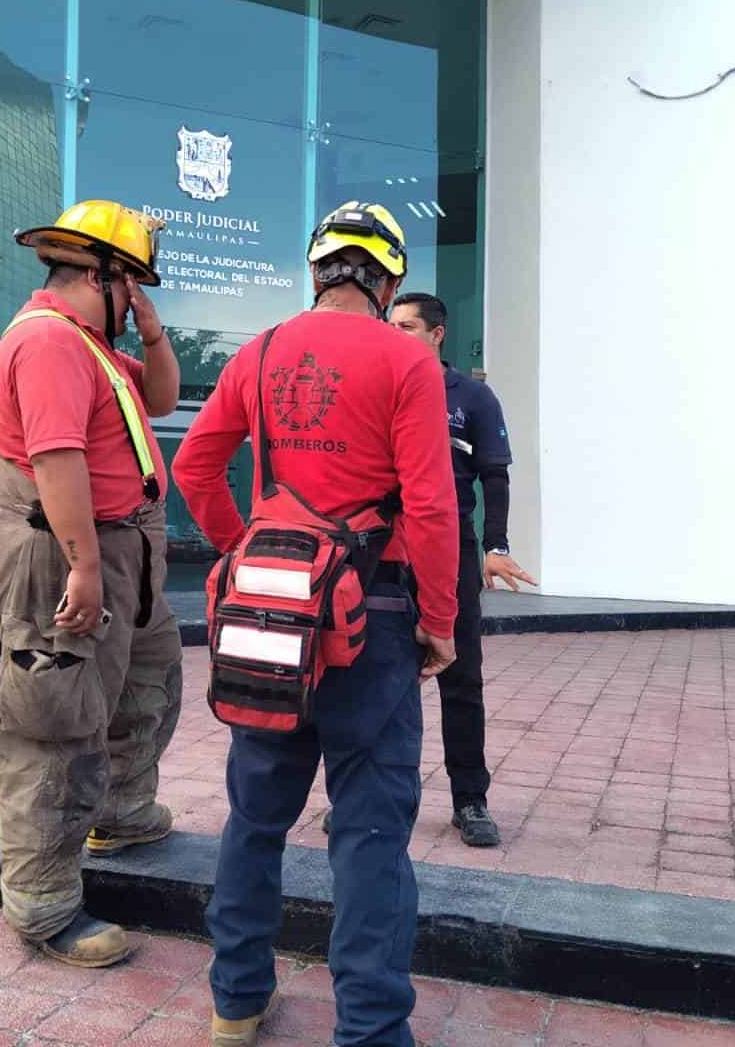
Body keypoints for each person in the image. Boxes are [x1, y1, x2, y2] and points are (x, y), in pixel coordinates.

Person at [173, 201, 459, 1047]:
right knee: (369, 831)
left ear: (317, 271)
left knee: (255, 816)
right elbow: (435, 507)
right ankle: (369, 1031)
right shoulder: (409, 361)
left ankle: (235, 1003)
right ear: (389, 280)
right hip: (375, 610)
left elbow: (194, 466)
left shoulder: (258, 352)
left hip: (268, 616)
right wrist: (439, 622)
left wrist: (246, 557)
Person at [0, 199, 184, 969]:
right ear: (107, 276)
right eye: (136, 285)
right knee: (53, 723)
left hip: (119, 546)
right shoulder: (51, 343)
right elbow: (57, 458)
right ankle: (44, 905)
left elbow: (159, 397)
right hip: (59, 553)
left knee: (143, 679)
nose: (140, 300)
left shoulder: (91, 346)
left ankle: (122, 811)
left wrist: (150, 328)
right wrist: (87, 567)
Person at [389, 292, 536, 847]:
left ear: (436, 333)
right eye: (391, 323)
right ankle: (371, 797)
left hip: (451, 552)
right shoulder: (383, 385)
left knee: (461, 680)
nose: (395, 332)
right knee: (379, 681)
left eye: (406, 326)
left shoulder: (471, 396)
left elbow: (495, 476)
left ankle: (470, 799)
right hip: (386, 551)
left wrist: (495, 545)